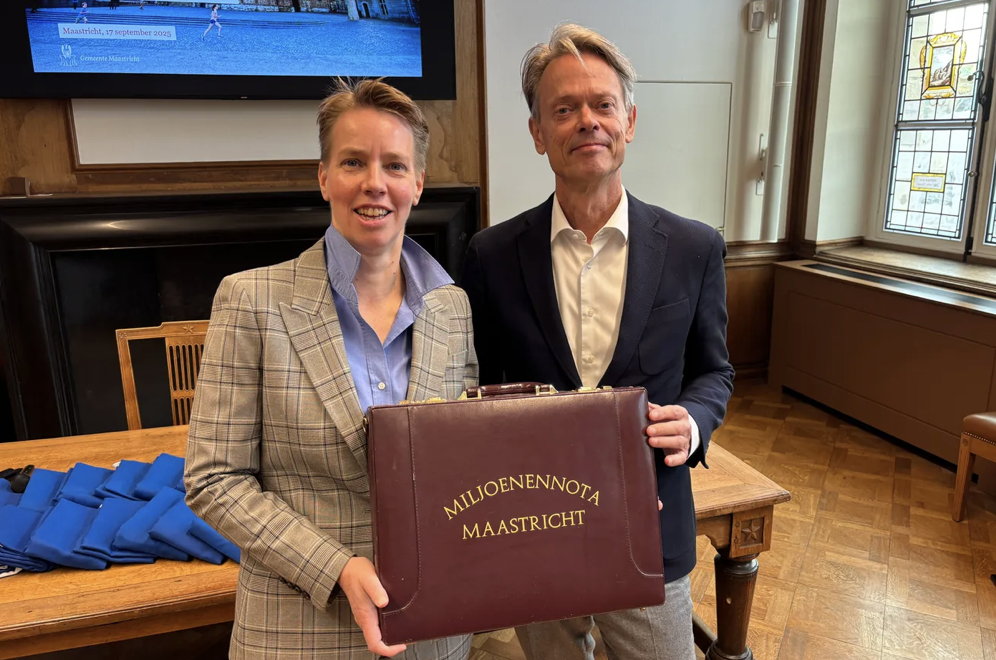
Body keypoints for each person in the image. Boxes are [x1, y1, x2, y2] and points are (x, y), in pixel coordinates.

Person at [461, 23, 734, 660]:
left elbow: (714, 372)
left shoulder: (693, 248)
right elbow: (476, 390)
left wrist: (694, 422)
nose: (587, 121)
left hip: (650, 524)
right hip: (533, 525)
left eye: (603, 104)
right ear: (537, 133)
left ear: (628, 121)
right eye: (564, 109)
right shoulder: (490, 256)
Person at [184, 78, 478, 660]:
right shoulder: (251, 301)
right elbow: (214, 480)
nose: (375, 182)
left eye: (395, 165)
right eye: (353, 162)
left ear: (417, 184)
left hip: (433, 630)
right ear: (324, 178)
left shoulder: (453, 307)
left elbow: (467, 461)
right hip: (299, 626)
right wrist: (335, 567)